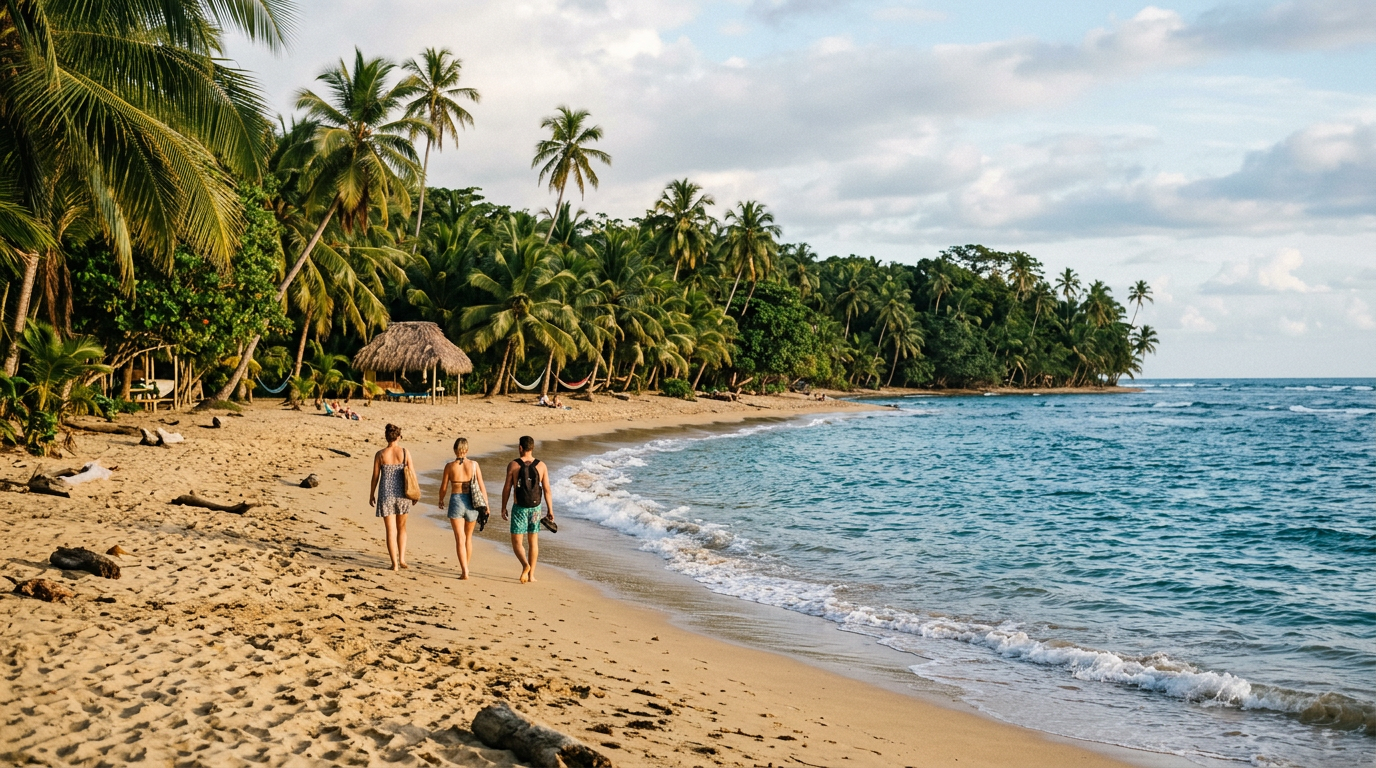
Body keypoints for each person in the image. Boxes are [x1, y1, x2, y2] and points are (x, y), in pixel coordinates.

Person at [501, 435, 554, 583]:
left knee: (517, 542)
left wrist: (503, 506)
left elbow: (507, 488)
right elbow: (547, 490)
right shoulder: (541, 466)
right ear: (532, 448)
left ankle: (525, 565)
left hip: (519, 508)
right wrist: (550, 510)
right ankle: (531, 576)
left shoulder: (513, 465)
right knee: (533, 542)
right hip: (535, 508)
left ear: (520, 448)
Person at [369, 423, 416, 571]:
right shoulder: (405, 452)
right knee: (402, 528)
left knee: (390, 530)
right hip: (403, 493)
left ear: (386, 437)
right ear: (398, 436)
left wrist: (371, 493)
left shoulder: (380, 454)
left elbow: (375, 476)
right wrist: (416, 493)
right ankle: (402, 559)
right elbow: (412, 474)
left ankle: (394, 564)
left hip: (386, 494)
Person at [437, 437, 484, 579]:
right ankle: (466, 567)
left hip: (456, 499)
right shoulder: (474, 465)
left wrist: (440, 499)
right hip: (472, 501)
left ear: (454, 450)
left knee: (459, 538)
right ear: (467, 450)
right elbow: (481, 486)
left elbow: (444, 487)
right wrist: (485, 504)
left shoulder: (449, 466)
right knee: (468, 537)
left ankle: (464, 571)